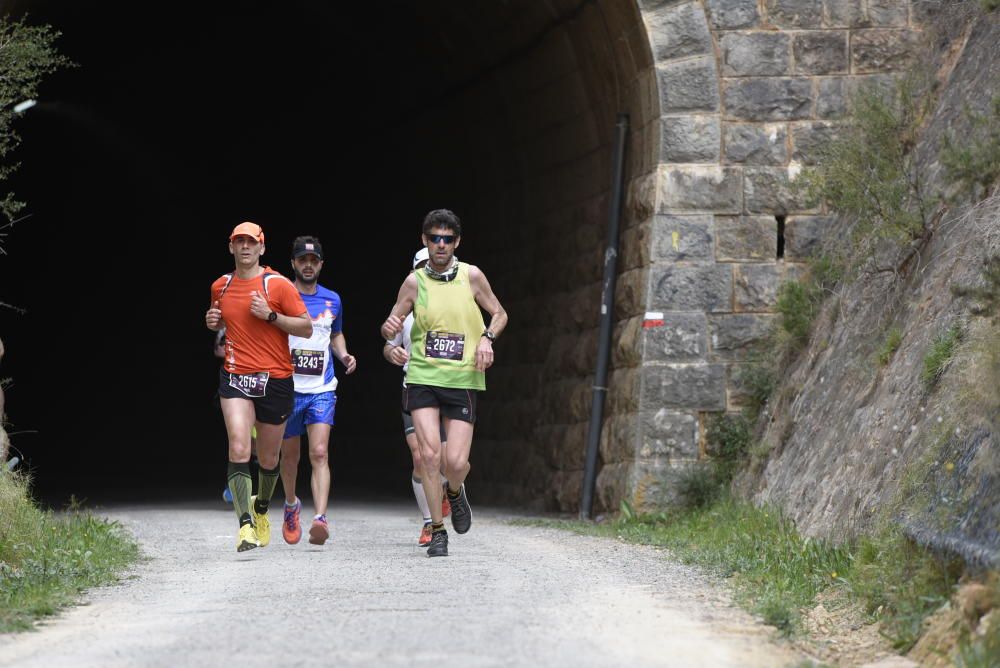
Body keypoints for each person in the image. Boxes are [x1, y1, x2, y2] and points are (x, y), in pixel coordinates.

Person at [380, 209, 508, 557]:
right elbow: (391, 323)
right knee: (428, 457)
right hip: (422, 377)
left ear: (457, 242)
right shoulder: (413, 281)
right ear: (424, 241)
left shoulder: (472, 276)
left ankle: (455, 490)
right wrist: (388, 334)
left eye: (447, 239)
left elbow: (499, 313)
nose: (440, 244)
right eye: (434, 238)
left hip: (463, 377)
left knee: (455, 462)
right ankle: (437, 530)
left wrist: (486, 339)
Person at [205, 221, 312, 552]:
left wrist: (270, 316)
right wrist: (214, 322)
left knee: (268, 458)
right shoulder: (220, 286)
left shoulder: (277, 285)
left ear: (262, 248)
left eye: (252, 242)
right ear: (231, 247)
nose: (246, 247)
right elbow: (223, 320)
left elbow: (306, 327)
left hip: (276, 379)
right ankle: (245, 527)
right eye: (240, 242)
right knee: (238, 447)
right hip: (236, 377)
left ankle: (262, 508)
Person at [278, 236, 356, 546]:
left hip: (322, 387)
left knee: (319, 452)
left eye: (313, 261)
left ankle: (320, 517)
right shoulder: (281, 296)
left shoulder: (332, 299)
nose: (308, 265)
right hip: (287, 387)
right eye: (302, 260)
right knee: (290, 457)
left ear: (321, 264)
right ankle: (290, 504)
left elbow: (335, 335)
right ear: (294, 264)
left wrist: (345, 354)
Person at [383, 247, 450, 547]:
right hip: (415, 386)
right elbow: (387, 344)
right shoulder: (405, 310)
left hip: (449, 387)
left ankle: (447, 489)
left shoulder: (454, 304)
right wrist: (392, 351)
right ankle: (428, 522)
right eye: (420, 267)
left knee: (447, 459)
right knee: (420, 455)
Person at [214, 327, 256, 504]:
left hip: (266, 385)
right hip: (236, 384)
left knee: (259, 448)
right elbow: (217, 349)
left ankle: (258, 489)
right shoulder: (226, 325)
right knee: (240, 443)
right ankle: (235, 487)